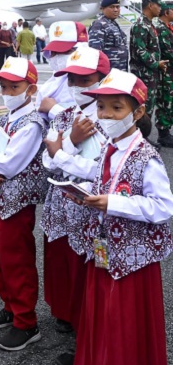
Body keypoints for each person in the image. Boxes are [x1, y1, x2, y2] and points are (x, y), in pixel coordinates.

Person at [73, 69, 173, 365]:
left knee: (125, 322)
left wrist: (113, 203)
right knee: (103, 315)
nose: (106, 116)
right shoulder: (108, 147)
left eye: (118, 108)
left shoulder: (147, 157)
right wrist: (84, 192)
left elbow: (163, 206)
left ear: (138, 111)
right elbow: (107, 181)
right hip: (105, 253)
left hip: (133, 260)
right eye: (102, 107)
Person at [40, 47, 111, 341]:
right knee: (61, 261)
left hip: (93, 209)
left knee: (92, 269)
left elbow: (107, 169)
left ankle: (90, 332)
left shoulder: (112, 116)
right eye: (72, 80)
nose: (78, 87)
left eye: (85, 80)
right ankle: (66, 314)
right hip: (61, 204)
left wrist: (61, 153)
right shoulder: (67, 114)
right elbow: (47, 159)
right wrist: (70, 141)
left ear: (102, 79)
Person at [0, 57, 47, 352]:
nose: (7, 92)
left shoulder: (32, 122)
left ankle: (26, 321)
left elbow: (9, 163)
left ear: (30, 89)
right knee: (0, 259)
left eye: (13, 86)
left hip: (18, 203)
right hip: (0, 199)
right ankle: (10, 306)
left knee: (17, 261)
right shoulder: (8, 117)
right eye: (4, 86)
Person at [129, 0, 169, 146]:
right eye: (158, 5)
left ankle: (142, 138)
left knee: (148, 108)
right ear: (150, 5)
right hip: (143, 75)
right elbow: (140, 51)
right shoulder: (140, 25)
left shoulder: (149, 24)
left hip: (150, 74)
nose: (160, 8)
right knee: (142, 108)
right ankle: (138, 140)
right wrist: (156, 64)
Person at [35, 21, 87, 123]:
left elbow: (90, 123)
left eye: (65, 51)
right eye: (54, 52)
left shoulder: (91, 83)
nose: (58, 57)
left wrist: (54, 109)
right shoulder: (49, 85)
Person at [88, 0, 128, 71]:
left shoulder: (113, 24)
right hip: (108, 73)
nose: (116, 10)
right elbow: (95, 53)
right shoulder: (99, 25)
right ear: (103, 9)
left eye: (117, 7)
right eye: (112, 7)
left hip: (119, 71)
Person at [152, 1, 173, 147]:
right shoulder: (161, 29)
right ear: (167, 13)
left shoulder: (167, 28)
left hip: (170, 72)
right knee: (165, 102)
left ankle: (166, 132)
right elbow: (168, 52)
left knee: (169, 102)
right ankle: (163, 135)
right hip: (165, 73)